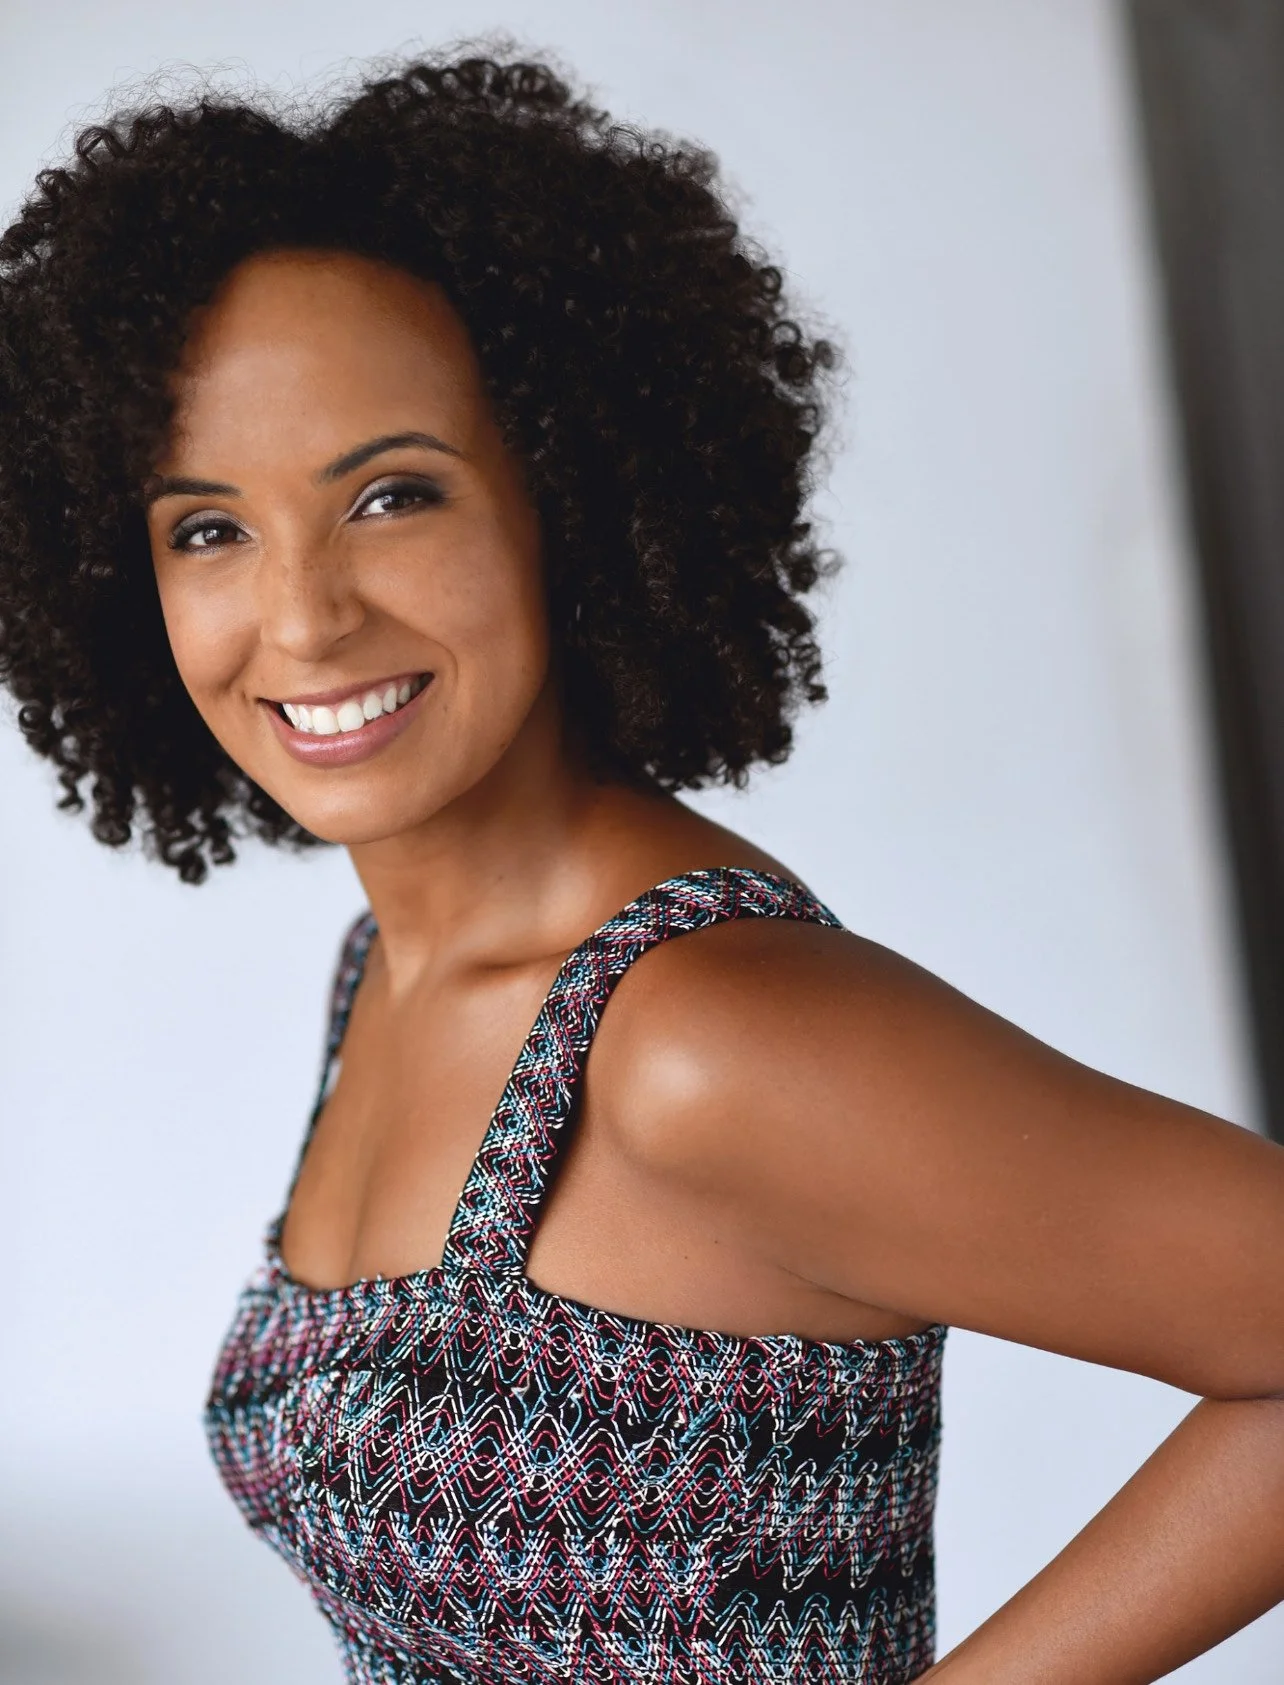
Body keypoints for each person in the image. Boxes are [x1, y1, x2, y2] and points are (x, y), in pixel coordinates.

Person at [0, 48, 1280, 1685]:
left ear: (572, 494)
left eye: (392, 497)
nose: (305, 617)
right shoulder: (389, 970)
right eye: (209, 528)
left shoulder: (697, 1038)